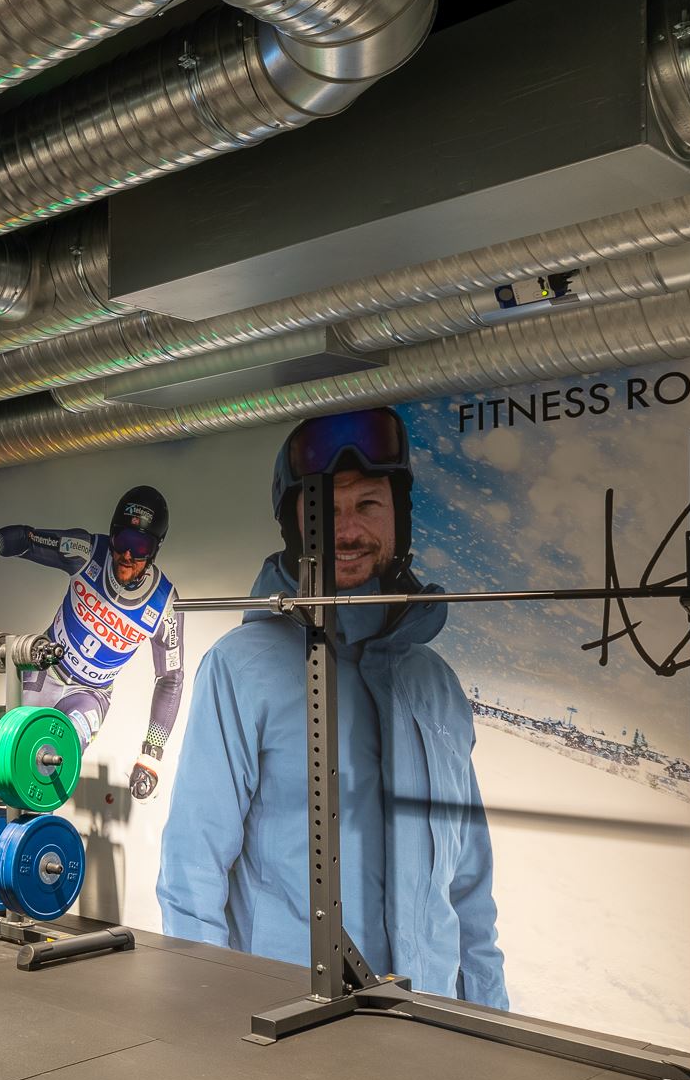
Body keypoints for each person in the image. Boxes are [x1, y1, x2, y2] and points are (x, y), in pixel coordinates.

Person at [156, 408, 506, 1007]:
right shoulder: (242, 669)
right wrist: (205, 1018)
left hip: (430, 1022)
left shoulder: (436, 685)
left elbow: (470, 888)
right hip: (293, 1020)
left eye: (368, 504)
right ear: (295, 525)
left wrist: (491, 1023)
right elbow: (194, 869)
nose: (348, 529)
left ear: (398, 518)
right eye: (326, 508)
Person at [0, 486, 184, 799]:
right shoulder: (88, 551)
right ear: (112, 535)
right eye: (122, 540)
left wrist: (151, 756)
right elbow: (28, 539)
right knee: (10, 754)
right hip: (46, 667)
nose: (127, 555)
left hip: (90, 694)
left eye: (140, 546)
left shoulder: (164, 605)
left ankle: (33, 828)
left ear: (155, 549)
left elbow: (171, 678)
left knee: (52, 764)